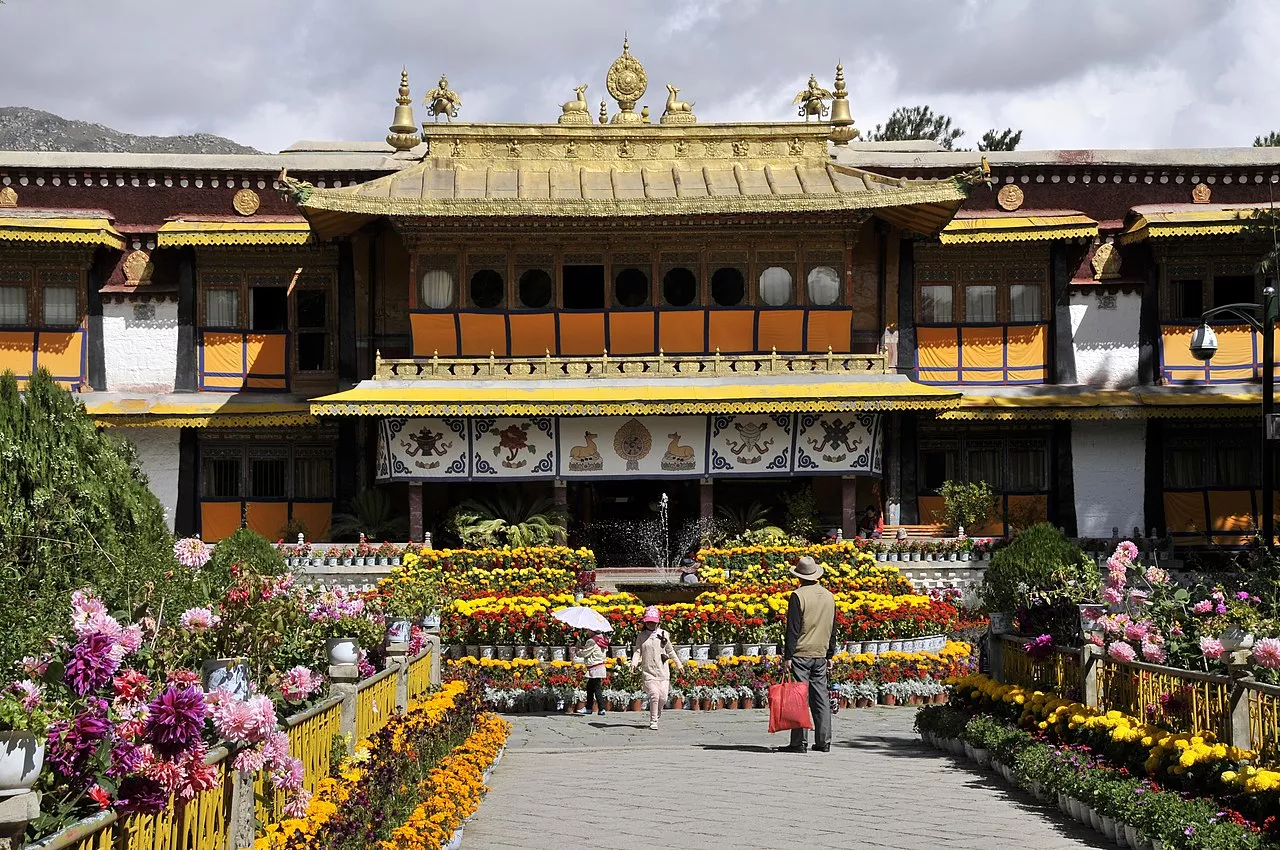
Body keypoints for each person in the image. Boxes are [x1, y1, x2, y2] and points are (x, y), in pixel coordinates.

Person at [778, 556, 837, 753]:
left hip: (801, 653)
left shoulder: (798, 595)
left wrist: (787, 656)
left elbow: (793, 629)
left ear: (799, 576)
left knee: (799, 698)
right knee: (821, 697)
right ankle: (824, 741)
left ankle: (799, 742)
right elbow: (832, 627)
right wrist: (830, 654)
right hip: (820, 653)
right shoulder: (829, 596)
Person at [630, 606, 683, 730]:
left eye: (653, 622)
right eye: (648, 622)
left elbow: (670, 650)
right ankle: (653, 720)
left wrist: (678, 663)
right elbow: (638, 651)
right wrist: (633, 663)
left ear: (658, 621)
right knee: (654, 694)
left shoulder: (664, 634)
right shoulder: (641, 636)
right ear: (645, 622)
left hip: (663, 672)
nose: (651, 624)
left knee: (663, 697)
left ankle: (658, 712)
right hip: (648, 672)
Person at [575, 629, 609, 716]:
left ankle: (601, 708)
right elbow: (594, 650)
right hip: (599, 665)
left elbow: (586, 653)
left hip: (595, 667)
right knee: (590, 687)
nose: (587, 632)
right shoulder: (602, 638)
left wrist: (577, 650)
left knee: (596, 688)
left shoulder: (592, 641)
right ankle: (589, 708)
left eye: (588, 630)